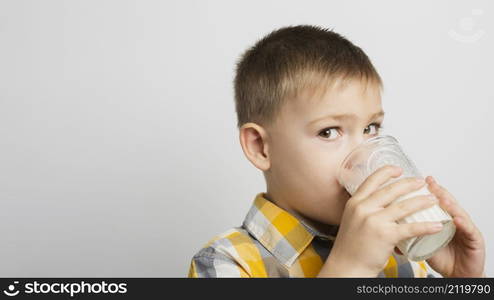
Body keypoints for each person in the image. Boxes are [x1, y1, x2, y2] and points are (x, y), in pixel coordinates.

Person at [187, 25, 486, 278]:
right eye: (329, 132)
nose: (363, 157)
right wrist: (349, 268)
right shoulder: (226, 263)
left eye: (371, 128)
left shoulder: (404, 256)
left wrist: (464, 282)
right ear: (260, 147)